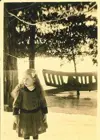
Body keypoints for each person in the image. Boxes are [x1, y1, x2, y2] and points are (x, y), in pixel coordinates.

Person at [11, 69, 48, 140]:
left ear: (34, 80)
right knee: (26, 134)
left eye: (27, 79)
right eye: (24, 79)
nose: (25, 81)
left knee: (35, 133)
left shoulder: (38, 90)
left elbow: (43, 102)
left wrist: (45, 114)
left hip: (37, 115)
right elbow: (16, 103)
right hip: (25, 116)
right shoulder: (21, 91)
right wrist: (15, 115)